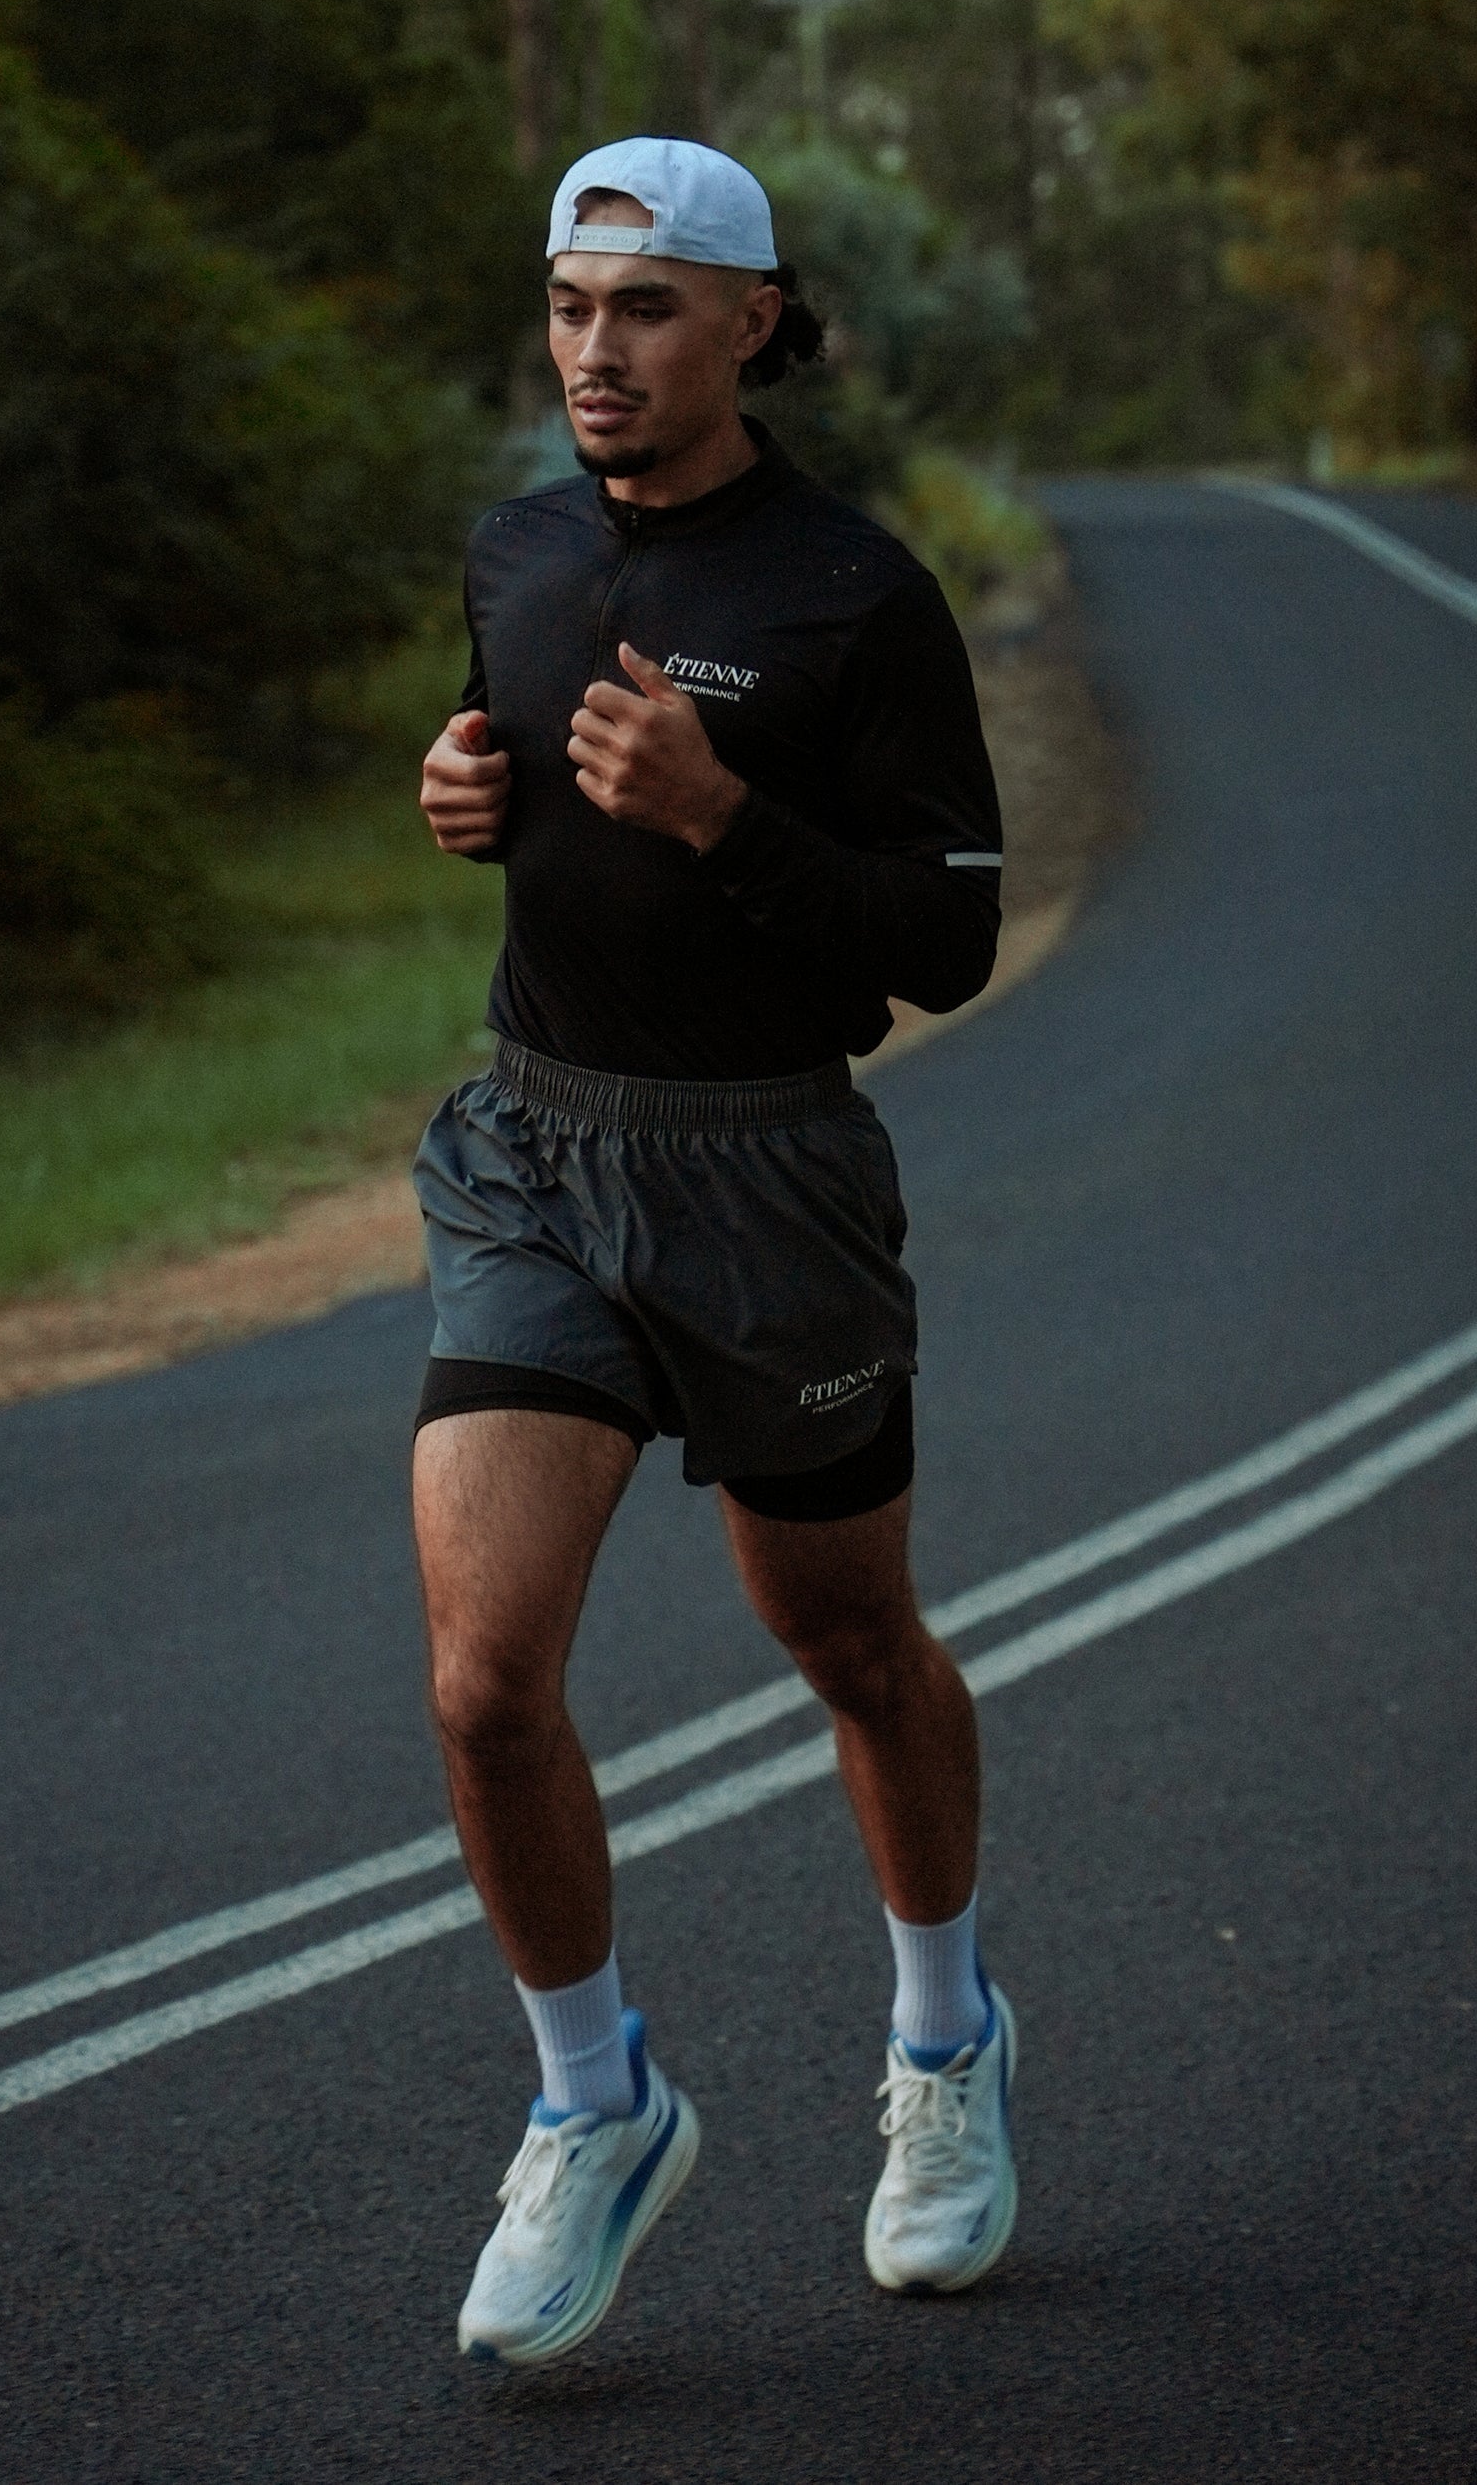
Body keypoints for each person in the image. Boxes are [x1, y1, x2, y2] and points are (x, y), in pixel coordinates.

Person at [412, 137, 1014, 2367]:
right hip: (533, 1152)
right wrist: (467, 800)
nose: (597, 347)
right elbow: (516, 779)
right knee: (486, 1683)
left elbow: (944, 934)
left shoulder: (856, 593)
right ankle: (596, 2101)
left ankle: (943, 2046)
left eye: (645, 308)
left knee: (851, 1649)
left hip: (769, 1178)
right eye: (571, 306)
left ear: (752, 319)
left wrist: (727, 815)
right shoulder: (519, 548)